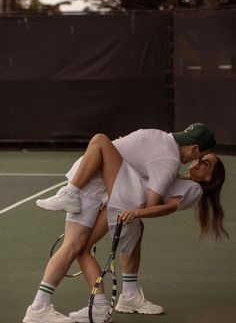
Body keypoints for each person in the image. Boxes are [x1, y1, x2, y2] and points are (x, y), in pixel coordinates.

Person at [23, 131, 228, 323]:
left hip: (119, 195)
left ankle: (97, 304)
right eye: (202, 158)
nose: (198, 161)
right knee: (80, 247)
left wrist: (137, 211)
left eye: (205, 163)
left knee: (85, 245)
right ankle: (59, 306)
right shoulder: (172, 169)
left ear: (210, 178)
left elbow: (163, 207)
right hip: (108, 190)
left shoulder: (190, 186)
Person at [36, 123, 216, 214]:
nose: (199, 160)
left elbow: (150, 203)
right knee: (76, 249)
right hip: (92, 182)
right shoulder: (169, 160)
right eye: (202, 155)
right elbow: (151, 203)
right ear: (193, 149)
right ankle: (70, 193)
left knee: (75, 249)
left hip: (96, 183)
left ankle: (70, 192)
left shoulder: (160, 137)